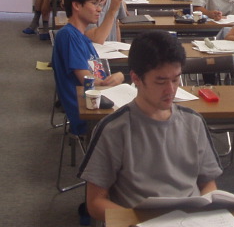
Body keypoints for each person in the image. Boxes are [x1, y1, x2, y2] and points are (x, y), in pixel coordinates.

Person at [78, 30, 223, 221]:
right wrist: (137, 221)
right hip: (138, 219)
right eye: (161, 81)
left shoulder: (193, 122)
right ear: (136, 78)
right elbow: (95, 202)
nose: (171, 90)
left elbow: (208, 184)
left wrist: (203, 213)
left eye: (175, 79)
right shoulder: (114, 129)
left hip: (189, 219)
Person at [50, 0, 124, 136]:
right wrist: (114, 79)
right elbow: (87, 79)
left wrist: (116, 79)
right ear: (77, 5)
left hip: (98, 103)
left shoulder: (82, 38)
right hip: (89, 112)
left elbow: (96, 76)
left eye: (100, 4)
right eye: (94, 3)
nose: (99, 9)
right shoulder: (68, 36)